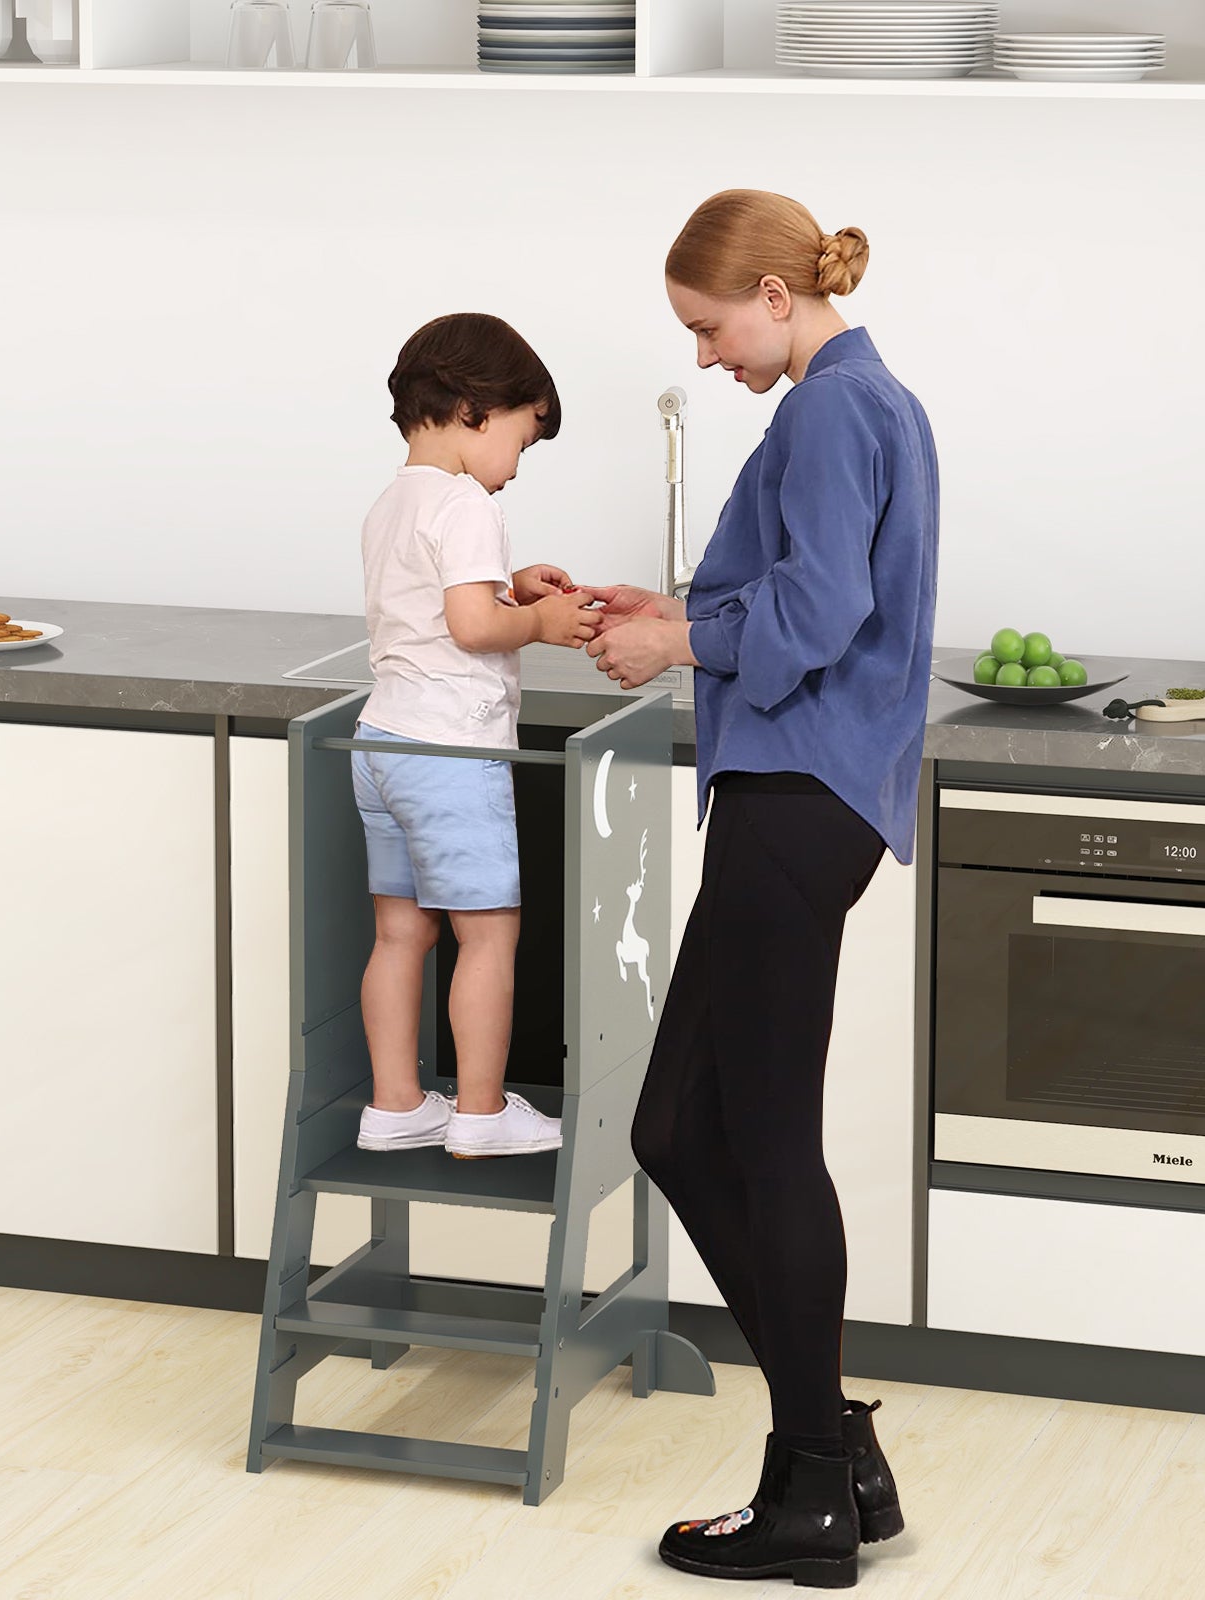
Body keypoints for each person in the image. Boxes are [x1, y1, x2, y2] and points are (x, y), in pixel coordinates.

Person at [585, 190, 939, 1588]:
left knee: (765, 1138)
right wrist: (669, 618)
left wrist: (679, 647)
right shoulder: (854, 400)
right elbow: (794, 594)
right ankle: (835, 1447)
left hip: (798, 798)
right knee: (678, 1125)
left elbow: (817, 614)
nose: (707, 354)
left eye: (710, 325)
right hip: (800, 799)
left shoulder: (834, 410)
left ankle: (807, 1494)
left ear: (776, 296)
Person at [352, 312, 600, 1161]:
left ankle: (395, 1106)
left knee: (399, 932)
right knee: (487, 935)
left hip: (381, 742)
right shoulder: (465, 502)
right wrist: (540, 620)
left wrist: (512, 588)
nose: (515, 471)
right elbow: (469, 625)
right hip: (451, 754)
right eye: (523, 445)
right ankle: (483, 1112)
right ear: (473, 408)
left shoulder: (395, 500)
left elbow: (439, 603)